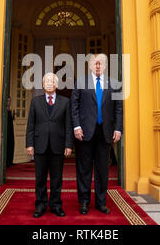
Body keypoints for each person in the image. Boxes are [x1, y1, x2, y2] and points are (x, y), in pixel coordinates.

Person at [71, 54, 123, 215]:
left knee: (102, 170)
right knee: (84, 169)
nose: (98, 66)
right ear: (90, 65)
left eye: (101, 63)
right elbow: (74, 106)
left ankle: (101, 202)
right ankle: (84, 202)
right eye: (95, 63)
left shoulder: (114, 84)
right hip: (84, 132)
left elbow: (119, 108)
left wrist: (118, 128)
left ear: (106, 65)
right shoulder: (81, 81)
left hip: (105, 132)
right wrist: (77, 127)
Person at [26, 73, 73, 218]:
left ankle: (56, 205)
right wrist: (29, 144)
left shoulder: (65, 102)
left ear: (56, 85)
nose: (49, 83)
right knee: (40, 178)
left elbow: (68, 126)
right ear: (43, 84)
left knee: (56, 178)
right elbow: (31, 125)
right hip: (39, 146)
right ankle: (40, 205)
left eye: (52, 81)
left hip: (58, 146)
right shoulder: (35, 101)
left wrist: (68, 145)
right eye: (46, 81)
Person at [6, 97, 15, 167]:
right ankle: (6, 162)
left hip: (11, 129)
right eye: (8, 101)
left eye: (10, 101)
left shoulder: (10, 110)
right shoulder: (4, 110)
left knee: (11, 145)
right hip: (6, 130)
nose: (9, 102)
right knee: (7, 145)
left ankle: (10, 161)